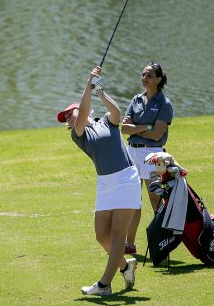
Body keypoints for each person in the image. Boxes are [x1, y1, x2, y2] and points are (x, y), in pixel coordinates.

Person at [57, 66, 142, 296]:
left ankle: (104, 285)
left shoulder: (106, 121)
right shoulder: (79, 135)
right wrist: (88, 83)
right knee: (101, 235)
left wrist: (100, 91)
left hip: (126, 178)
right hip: (105, 184)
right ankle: (125, 266)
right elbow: (83, 110)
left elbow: (116, 112)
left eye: (69, 113)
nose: (68, 118)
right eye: (66, 118)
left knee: (117, 234)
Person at [121, 62, 174, 256]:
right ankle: (130, 244)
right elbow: (123, 128)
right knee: (133, 199)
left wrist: (137, 126)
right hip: (132, 152)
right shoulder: (136, 100)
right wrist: (146, 127)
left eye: (149, 75)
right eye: (143, 75)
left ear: (158, 80)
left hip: (153, 154)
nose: (144, 78)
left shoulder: (164, 104)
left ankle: (162, 242)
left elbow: (157, 134)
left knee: (155, 198)